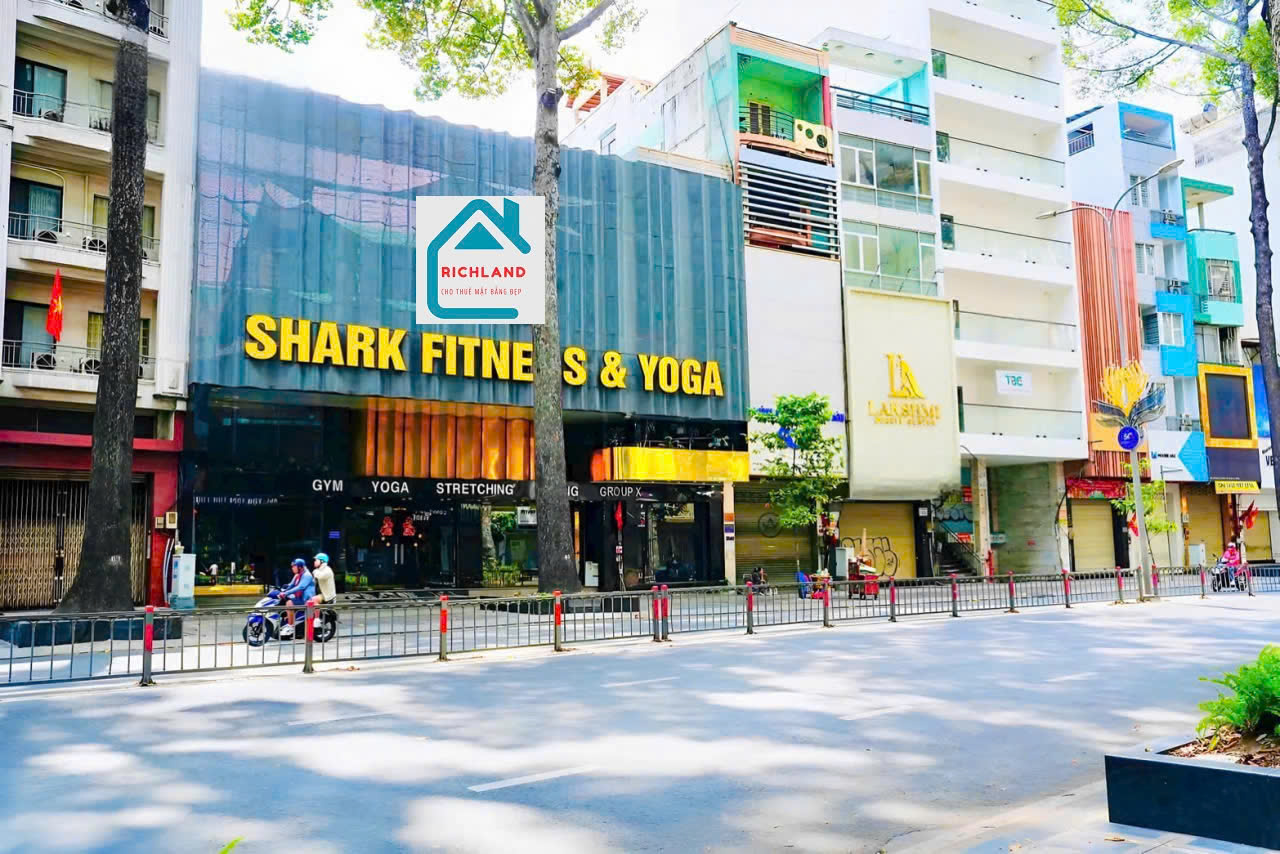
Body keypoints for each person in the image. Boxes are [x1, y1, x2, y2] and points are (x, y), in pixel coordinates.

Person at [277, 558, 315, 638]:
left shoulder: (307, 575)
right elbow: (291, 585)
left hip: (306, 600)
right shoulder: (297, 575)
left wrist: (286, 593)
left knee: (289, 603)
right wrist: (281, 591)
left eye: (294, 566)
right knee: (285, 601)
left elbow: (300, 587)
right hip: (299, 597)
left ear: (300, 567)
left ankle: (291, 627)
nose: (292, 568)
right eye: (292, 566)